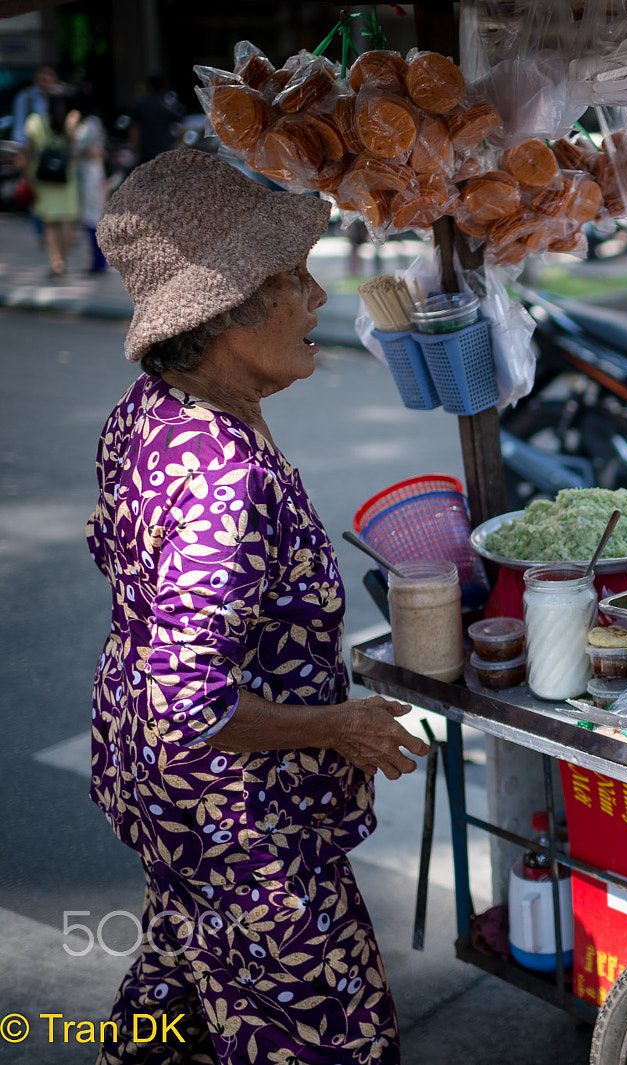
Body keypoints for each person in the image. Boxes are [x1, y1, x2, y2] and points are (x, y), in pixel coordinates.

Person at [88, 149, 427, 1065]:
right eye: (292, 278)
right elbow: (187, 704)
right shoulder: (220, 478)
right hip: (233, 812)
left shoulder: (152, 408)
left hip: (168, 796)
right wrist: (342, 723)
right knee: (329, 1027)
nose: (317, 296)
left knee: (185, 980)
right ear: (223, 317)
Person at [24, 92, 80, 277]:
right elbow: (75, 149)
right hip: (65, 177)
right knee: (66, 220)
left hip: (43, 176)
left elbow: (28, 151)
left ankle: (55, 261)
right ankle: (62, 260)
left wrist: (26, 176)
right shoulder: (70, 124)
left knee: (49, 222)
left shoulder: (35, 122)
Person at [73, 88, 108, 272]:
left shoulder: (87, 125)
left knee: (91, 215)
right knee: (93, 214)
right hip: (94, 170)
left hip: (89, 172)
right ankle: (97, 260)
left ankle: (98, 261)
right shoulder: (95, 122)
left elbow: (78, 146)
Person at [127, 72, 184, 165]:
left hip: (145, 152)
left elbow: (134, 129)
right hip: (165, 150)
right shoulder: (169, 106)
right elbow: (181, 128)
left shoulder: (139, 105)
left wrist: (135, 149)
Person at [9, 64, 56, 138]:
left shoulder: (59, 97)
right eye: (42, 73)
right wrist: (21, 145)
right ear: (35, 77)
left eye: (49, 74)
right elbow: (19, 126)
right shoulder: (25, 96)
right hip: (29, 145)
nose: (45, 77)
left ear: (55, 79)